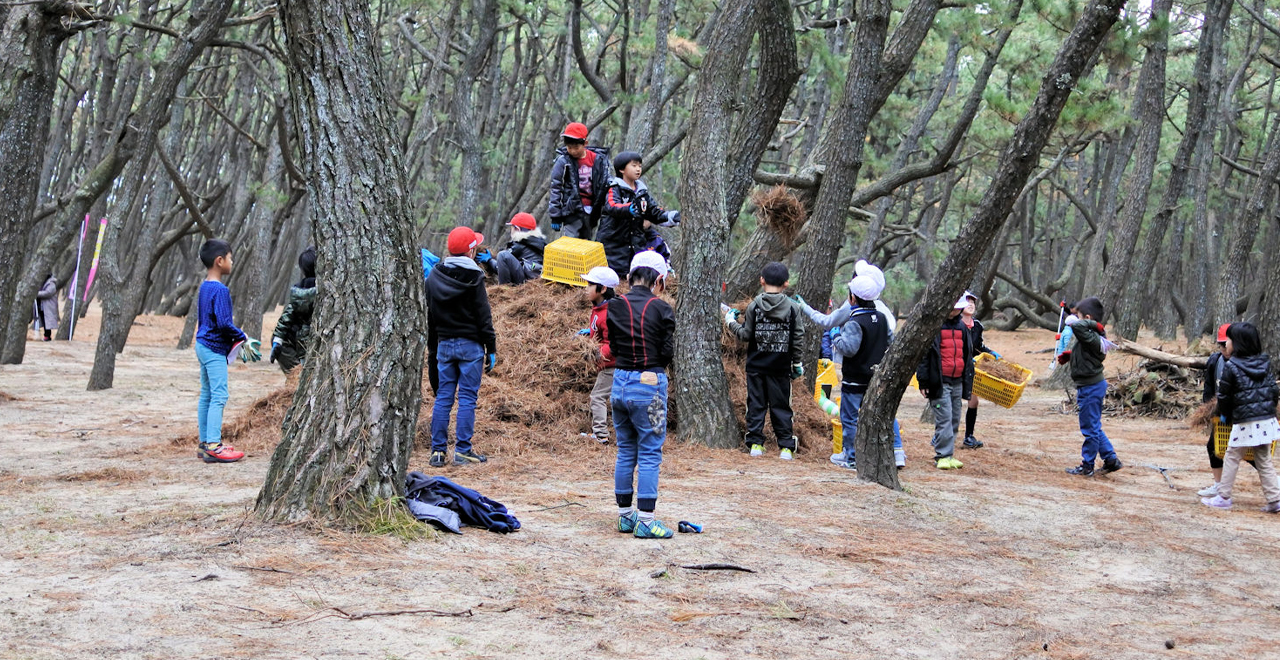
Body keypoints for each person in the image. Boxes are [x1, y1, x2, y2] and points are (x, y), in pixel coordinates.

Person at [607, 251, 676, 539]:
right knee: (650, 452)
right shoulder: (662, 309)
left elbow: (613, 344)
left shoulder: (614, 305)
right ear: (659, 280)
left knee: (625, 449)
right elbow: (667, 351)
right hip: (651, 384)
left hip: (619, 382)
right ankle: (646, 520)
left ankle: (626, 517)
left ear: (630, 276)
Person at [426, 226, 496, 468]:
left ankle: (438, 452)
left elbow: (431, 318)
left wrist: (432, 350)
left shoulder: (433, 276)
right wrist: (491, 346)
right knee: (467, 398)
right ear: (471, 251)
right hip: (471, 347)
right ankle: (463, 451)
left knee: (443, 398)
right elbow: (483, 316)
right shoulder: (475, 277)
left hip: (444, 345)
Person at [724, 262, 805, 460]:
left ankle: (755, 445)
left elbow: (745, 335)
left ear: (761, 281)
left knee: (756, 405)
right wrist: (796, 364)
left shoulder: (754, 307)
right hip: (781, 368)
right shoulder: (794, 308)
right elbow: (797, 338)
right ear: (786, 284)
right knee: (781, 406)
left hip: (756, 367)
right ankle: (786, 447)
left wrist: (731, 322)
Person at [194, 239, 261, 464]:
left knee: (207, 394)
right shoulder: (220, 290)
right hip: (213, 349)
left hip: (202, 345)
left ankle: (205, 443)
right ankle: (214, 445)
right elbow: (223, 323)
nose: (232, 262)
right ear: (219, 261)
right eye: (230, 258)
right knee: (219, 395)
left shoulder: (205, 286)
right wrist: (243, 337)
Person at [1202, 322, 1280, 512]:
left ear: (1237, 343)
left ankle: (1223, 496)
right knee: (1263, 460)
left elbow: (1224, 396)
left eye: (1228, 339)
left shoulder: (1232, 366)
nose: (1225, 343)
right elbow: (1274, 391)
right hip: (1266, 420)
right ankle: (1275, 499)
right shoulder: (1265, 363)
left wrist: (1225, 415)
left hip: (1245, 421)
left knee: (1231, 456)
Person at [831, 274, 902, 471]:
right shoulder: (880, 318)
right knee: (878, 415)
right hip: (875, 378)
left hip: (854, 380)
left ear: (852, 298)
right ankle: (885, 452)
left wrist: (836, 336)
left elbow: (849, 348)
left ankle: (851, 457)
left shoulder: (855, 321)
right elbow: (891, 340)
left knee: (850, 418)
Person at [1057, 297, 1123, 476]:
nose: (1074, 319)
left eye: (1077, 316)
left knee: (1089, 428)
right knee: (1093, 425)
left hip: (1091, 386)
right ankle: (1110, 459)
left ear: (1086, 318)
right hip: (1090, 385)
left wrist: (1085, 323)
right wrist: (1071, 355)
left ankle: (1087, 465)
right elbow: (1088, 352)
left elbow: (1078, 327)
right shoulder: (1092, 336)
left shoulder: (1092, 333)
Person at [598, 151, 680, 278]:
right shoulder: (614, 188)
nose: (638, 169)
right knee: (614, 276)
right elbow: (612, 206)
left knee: (633, 275)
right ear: (621, 169)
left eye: (640, 166)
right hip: (613, 243)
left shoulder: (642, 192)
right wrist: (629, 209)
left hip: (636, 243)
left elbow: (654, 212)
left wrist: (672, 217)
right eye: (634, 165)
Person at [917, 294, 975, 470]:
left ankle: (949, 454)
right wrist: (924, 381)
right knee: (945, 418)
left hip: (957, 380)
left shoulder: (962, 328)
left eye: (958, 307)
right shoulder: (935, 327)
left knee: (955, 418)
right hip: (939, 382)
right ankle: (942, 454)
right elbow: (925, 356)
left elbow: (967, 353)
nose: (956, 310)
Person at [1198, 324, 1245, 497]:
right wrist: (1209, 410)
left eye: (1226, 344)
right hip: (1221, 413)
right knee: (1213, 447)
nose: (1223, 348)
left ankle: (1275, 484)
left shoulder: (1244, 363)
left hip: (1242, 415)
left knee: (1253, 453)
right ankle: (1218, 485)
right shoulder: (1214, 361)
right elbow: (1209, 389)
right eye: (1220, 345)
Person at [548, 122, 611, 239]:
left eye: (576, 147)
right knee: (570, 244)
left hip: (592, 211)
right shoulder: (563, 161)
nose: (573, 151)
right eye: (569, 147)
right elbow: (556, 187)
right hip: (571, 210)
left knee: (586, 244)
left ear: (585, 143)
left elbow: (606, 184)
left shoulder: (598, 160)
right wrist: (555, 215)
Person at [579, 266, 619, 444]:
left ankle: (601, 434)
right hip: (605, 364)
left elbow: (613, 344)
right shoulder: (599, 309)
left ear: (602, 289)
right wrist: (589, 333)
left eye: (590, 285)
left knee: (598, 397)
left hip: (612, 365)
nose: (586, 289)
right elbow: (599, 331)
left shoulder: (610, 314)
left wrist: (595, 352)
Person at [960, 291, 1001, 450]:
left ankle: (969, 436)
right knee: (953, 403)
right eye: (967, 301)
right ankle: (941, 435)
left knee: (974, 401)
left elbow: (978, 347)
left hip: (971, 369)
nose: (970, 304)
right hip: (956, 367)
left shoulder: (977, 326)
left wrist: (991, 354)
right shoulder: (955, 324)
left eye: (973, 302)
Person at [270, 246, 316, 373]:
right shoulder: (325, 290)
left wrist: (277, 340)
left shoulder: (298, 291)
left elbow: (286, 316)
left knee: (298, 378)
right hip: (306, 344)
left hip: (293, 341)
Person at [495, 212, 546, 285]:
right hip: (533, 279)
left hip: (526, 281)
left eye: (512, 227)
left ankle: (504, 289)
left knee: (502, 255)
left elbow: (500, 266)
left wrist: (489, 260)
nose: (511, 230)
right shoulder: (536, 241)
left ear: (517, 229)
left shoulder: (519, 245)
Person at [33, 273, 59, 341]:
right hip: (41, 305)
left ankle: (47, 336)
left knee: (47, 322)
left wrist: (36, 294)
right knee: (42, 320)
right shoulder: (41, 283)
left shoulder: (51, 284)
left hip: (48, 306)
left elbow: (48, 293)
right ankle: (41, 334)